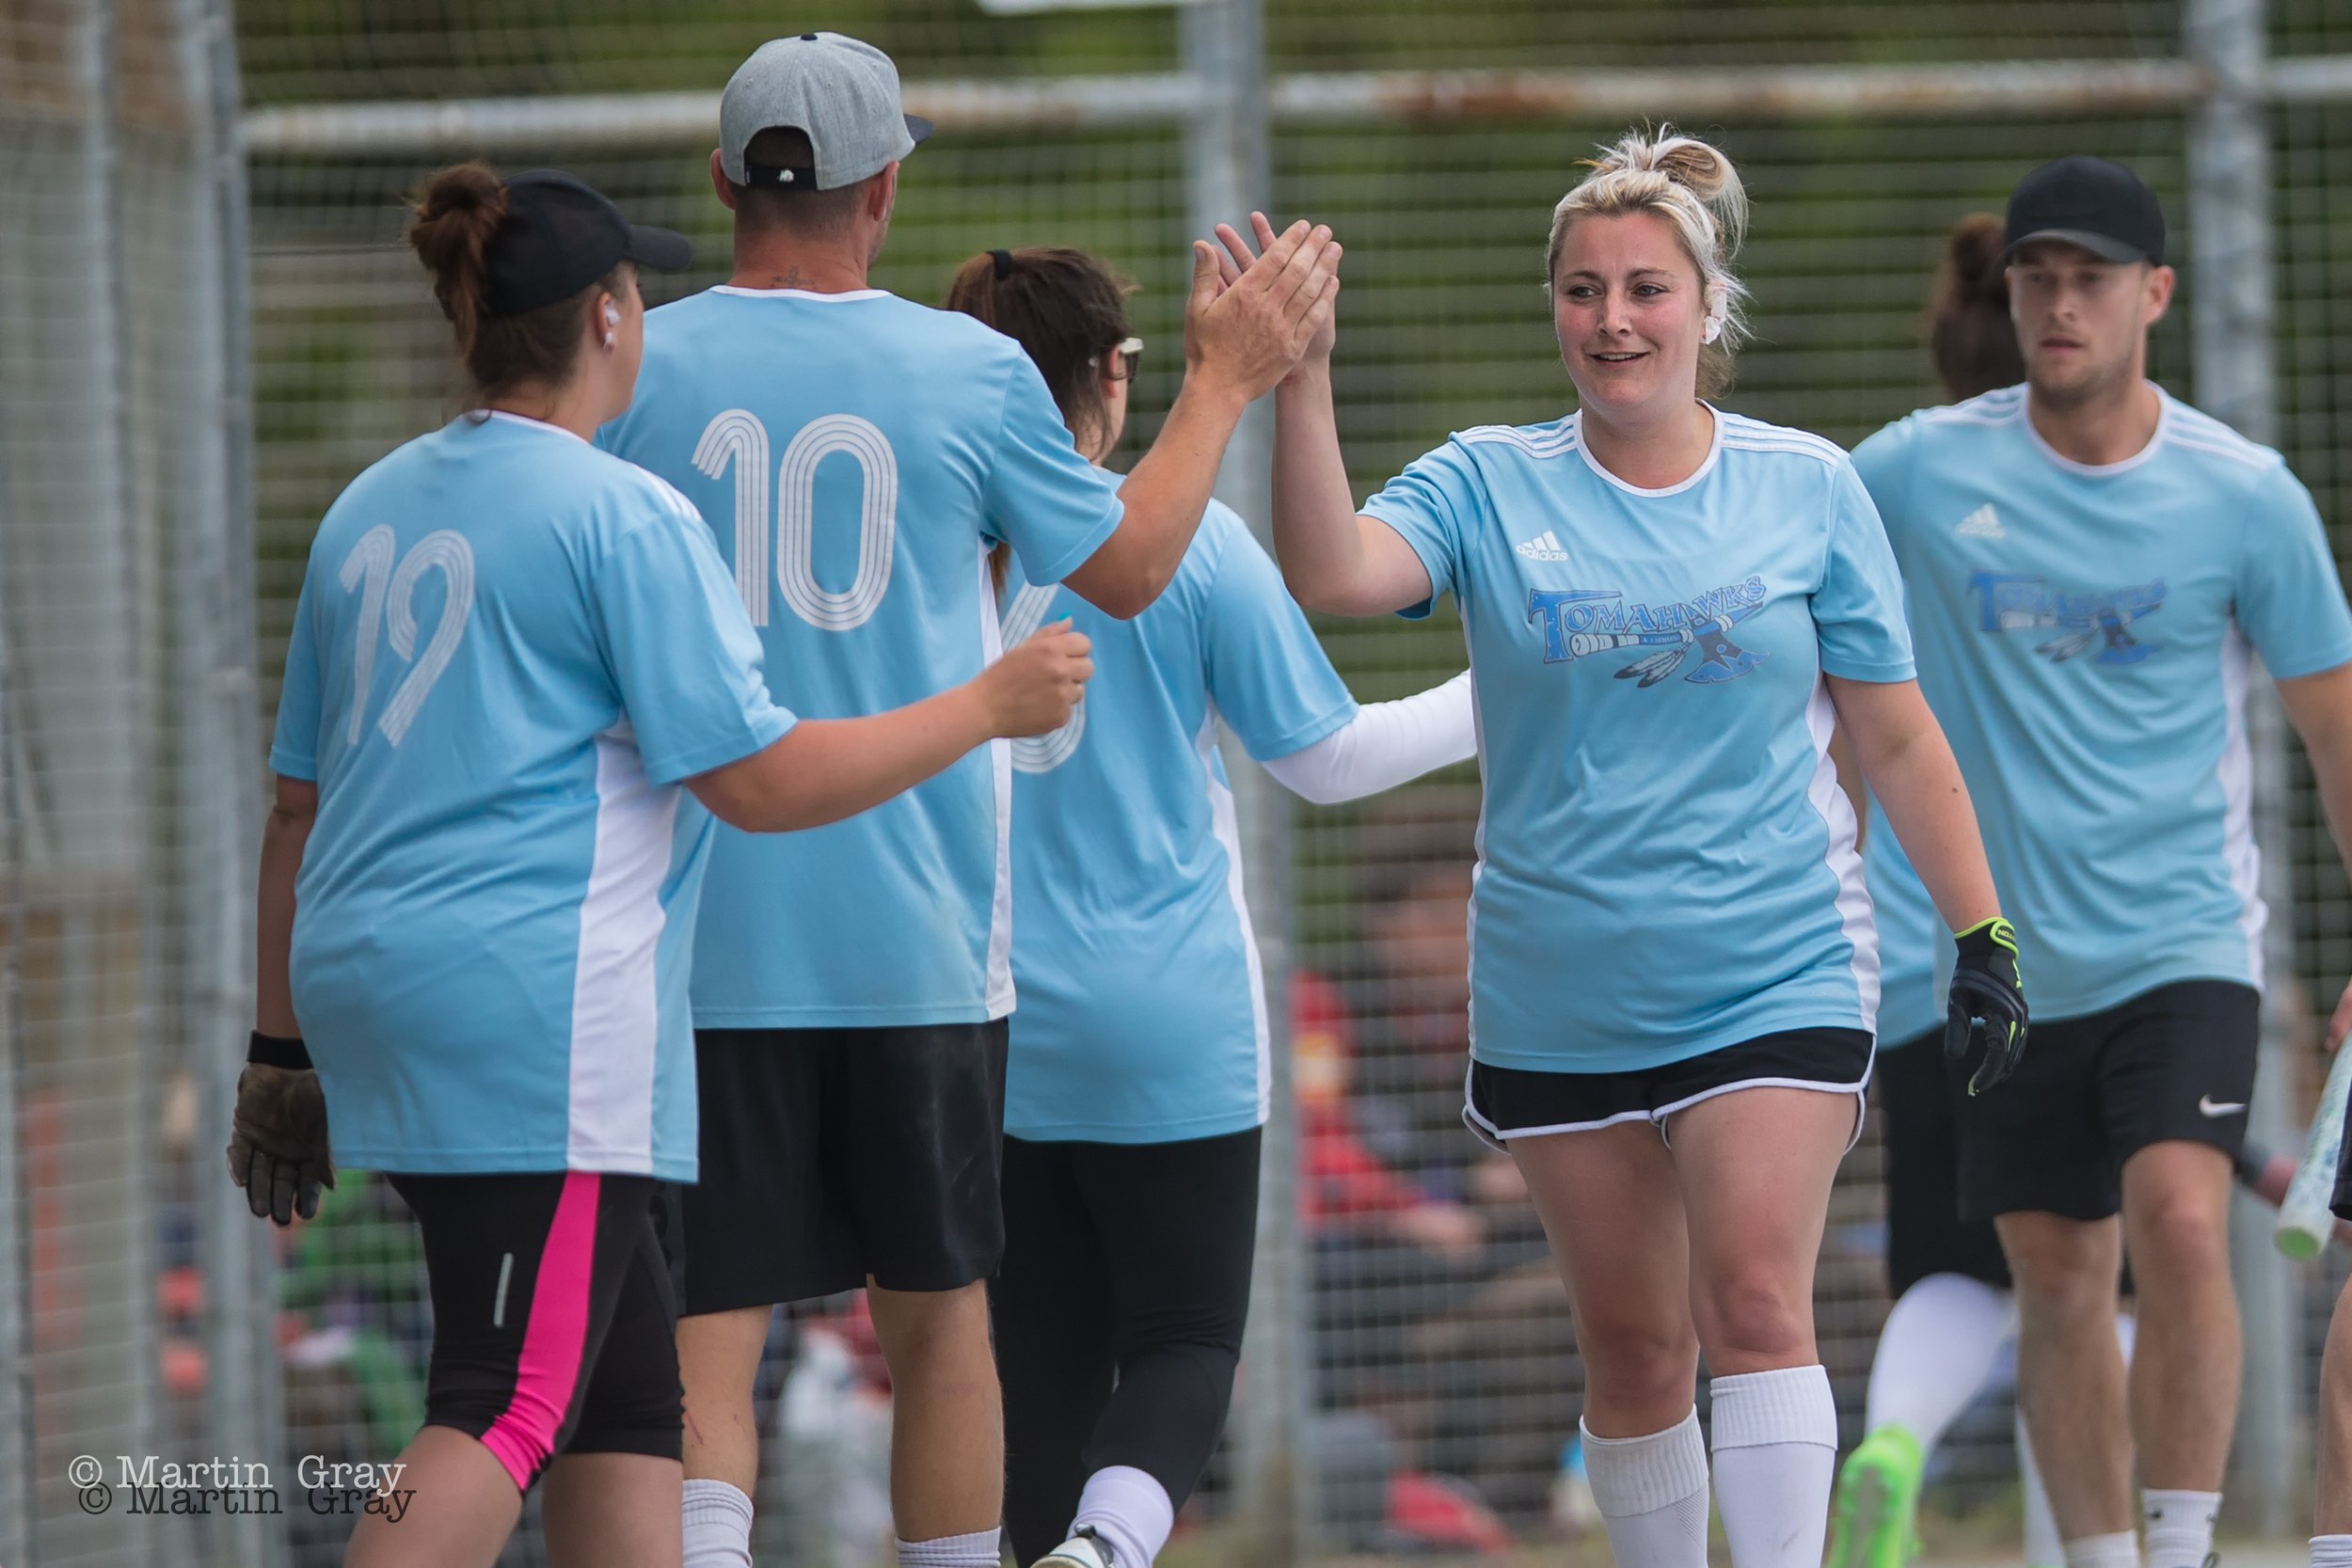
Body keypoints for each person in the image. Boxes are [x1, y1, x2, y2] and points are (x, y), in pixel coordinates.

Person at [223, 165, 1091, 1568]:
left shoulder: (368, 508)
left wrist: (279, 1052)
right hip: (530, 1013)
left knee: (630, 1407)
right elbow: (757, 781)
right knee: (501, 1402)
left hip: (367, 985)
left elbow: (293, 811)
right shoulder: (620, 514)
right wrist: (982, 705)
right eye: (635, 286)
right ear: (607, 318)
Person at [591, 35, 1338, 1568]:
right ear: (883, 192)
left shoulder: (637, 365)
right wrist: (1223, 379)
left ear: (724, 181)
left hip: (700, 940)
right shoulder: (970, 371)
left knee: (710, 1339)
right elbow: (1129, 567)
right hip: (915, 940)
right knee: (939, 1328)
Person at [1251, 126, 2025, 1568]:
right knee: (1634, 1348)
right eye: (1584, 290)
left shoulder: (1808, 487)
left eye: (1648, 289)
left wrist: (1984, 937)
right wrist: (1302, 376)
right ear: (1553, 307)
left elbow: (1902, 738)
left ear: (1707, 306)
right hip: (1558, 988)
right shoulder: (1487, 481)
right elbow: (1334, 572)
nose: (1614, 320)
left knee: (1756, 1305)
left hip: (1774, 961)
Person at [940, 245, 1476, 1568]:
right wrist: (1498, 692)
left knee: (1036, 1364)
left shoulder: (923, 555)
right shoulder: (1185, 545)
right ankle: (1108, 1551)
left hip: (982, 1019)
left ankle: (1051, 1548)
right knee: (1183, 1342)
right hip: (1169, 1021)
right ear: (1113, 378)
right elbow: (1327, 757)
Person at [1851, 154, 2352, 1568]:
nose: (2061, 305)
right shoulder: (1914, 472)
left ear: (2158, 295)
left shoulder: (2245, 497)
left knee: (2183, 1222)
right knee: (2059, 1278)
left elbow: (2335, 730)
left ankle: (2181, 1546)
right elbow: (1785, 588)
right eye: (2038, 278)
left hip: (2185, 943)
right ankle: (2101, 1558)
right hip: (2003, 962)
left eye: (2091, 279)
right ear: (2008, 294)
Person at [1831, 212, 2121, 1568]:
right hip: (2081, 960)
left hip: (1917, 962)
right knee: (2086, 1284)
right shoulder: (2109, 507)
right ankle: (2086, 1545)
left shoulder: (1879, 493)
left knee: (1954, 1262)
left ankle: (1893, 1441)